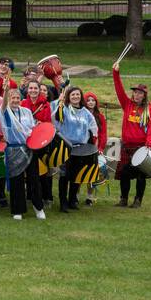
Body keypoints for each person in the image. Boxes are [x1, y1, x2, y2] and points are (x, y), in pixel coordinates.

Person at [111, 61, 151, 208]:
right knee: (124, 173)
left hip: (142, 148)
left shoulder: (149, 110)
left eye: (140, 93)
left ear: (144, 95)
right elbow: (119, 89)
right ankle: (123, 199)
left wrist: (149, 145)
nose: (136, 95)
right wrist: (115, 73)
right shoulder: (127, 104)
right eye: (135, 92)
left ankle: (138, 200)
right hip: (127, 146)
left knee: (141, 175)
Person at [0, 88, 46, 221]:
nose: (15, 100)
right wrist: (6, 91)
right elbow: (3, 105)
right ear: (8, 99)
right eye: (12, 98)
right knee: (16, 181)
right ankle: (17, 210)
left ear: (21, 99)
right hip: (13, 150)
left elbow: (32, 129)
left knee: (34, 179)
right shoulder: (4, 112)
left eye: (17, 98)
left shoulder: (27, 112)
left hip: (29, 148)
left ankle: (38, 208)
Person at [53, 84, 97, 213]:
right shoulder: (64, 109)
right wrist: (60, 104)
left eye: (78, 94)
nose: (76, 96)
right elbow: (56, 119)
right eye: (73, 94)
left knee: (77, 175)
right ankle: (63, 203)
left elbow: (92, 127)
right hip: (66, 146)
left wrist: (92, 139)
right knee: (64, 175)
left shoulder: (85, 112)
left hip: (81, 148)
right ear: (68, 97)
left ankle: (72, 200)